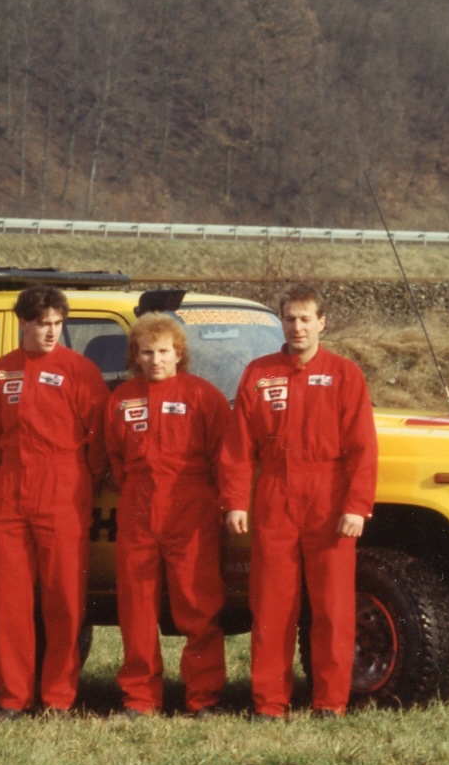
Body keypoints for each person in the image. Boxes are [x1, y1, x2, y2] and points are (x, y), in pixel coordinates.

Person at [219, 285, 379, 718]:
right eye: (290, 318)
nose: (298, 327)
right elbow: (238, 446)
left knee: (333, 607)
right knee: (271, 605)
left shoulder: (345, 375)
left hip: (328, 497)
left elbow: (363, 447)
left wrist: (356, 506)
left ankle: (330, 701)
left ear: (322, 323)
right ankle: (269, 702)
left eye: (306, 318)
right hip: (274, 495)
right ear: (281, 322)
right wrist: (236, 501)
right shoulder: (259, 373)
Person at [0, 285, 110, 718]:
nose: (52, 332)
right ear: (24, 324)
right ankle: (13, 698)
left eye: (57, 324)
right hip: (9, 491)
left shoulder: (79, 370)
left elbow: (100, 440)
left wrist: (78, 484)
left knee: (64, 600)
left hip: (62, 488)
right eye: (43, 324)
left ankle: (58, 697)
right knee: (7, 601)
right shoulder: (1, 371)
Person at [97, 313, 233, 717]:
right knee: (135, 608)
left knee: (199, 606)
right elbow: (116, 460)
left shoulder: (202, 396)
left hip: (190, 509)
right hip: (138, 509)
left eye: (163, 351)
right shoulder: (121, 399)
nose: (155, 360)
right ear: (135, 357)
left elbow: (221, 458)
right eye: (146, 352)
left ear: (179, 354)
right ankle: (140, 699)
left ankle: (203, 697)